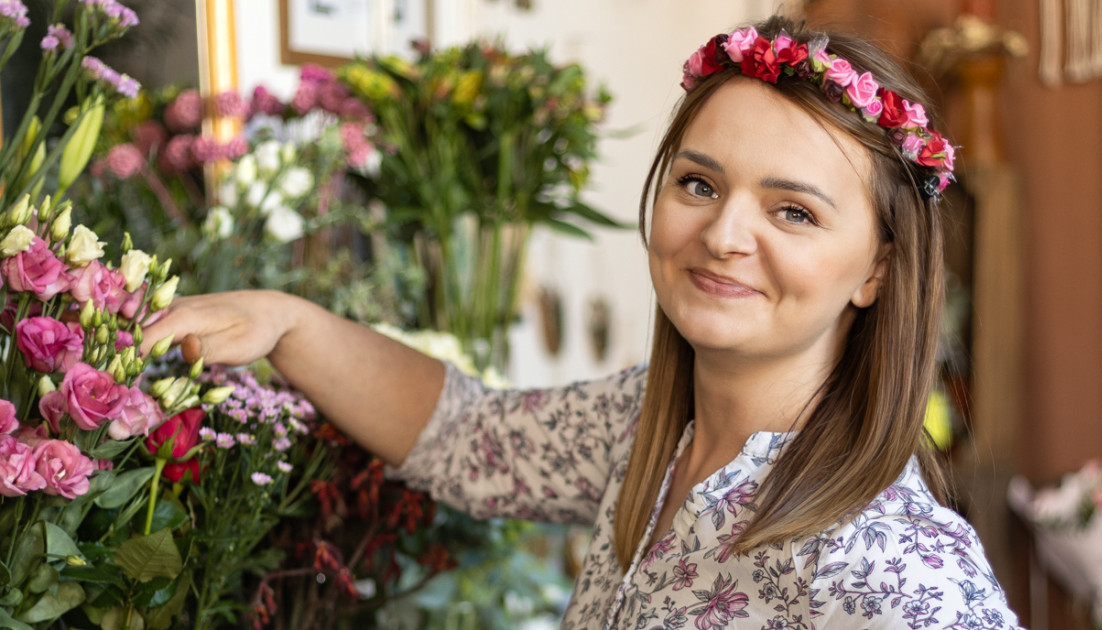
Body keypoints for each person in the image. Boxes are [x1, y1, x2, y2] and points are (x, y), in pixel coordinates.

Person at [142, 15, 1023, 629]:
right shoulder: (645, 427)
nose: (721, 235)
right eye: (699, 184)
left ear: (878, 267)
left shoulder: (891, 558)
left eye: (793, 212)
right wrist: (286, 321)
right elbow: (467, 435)